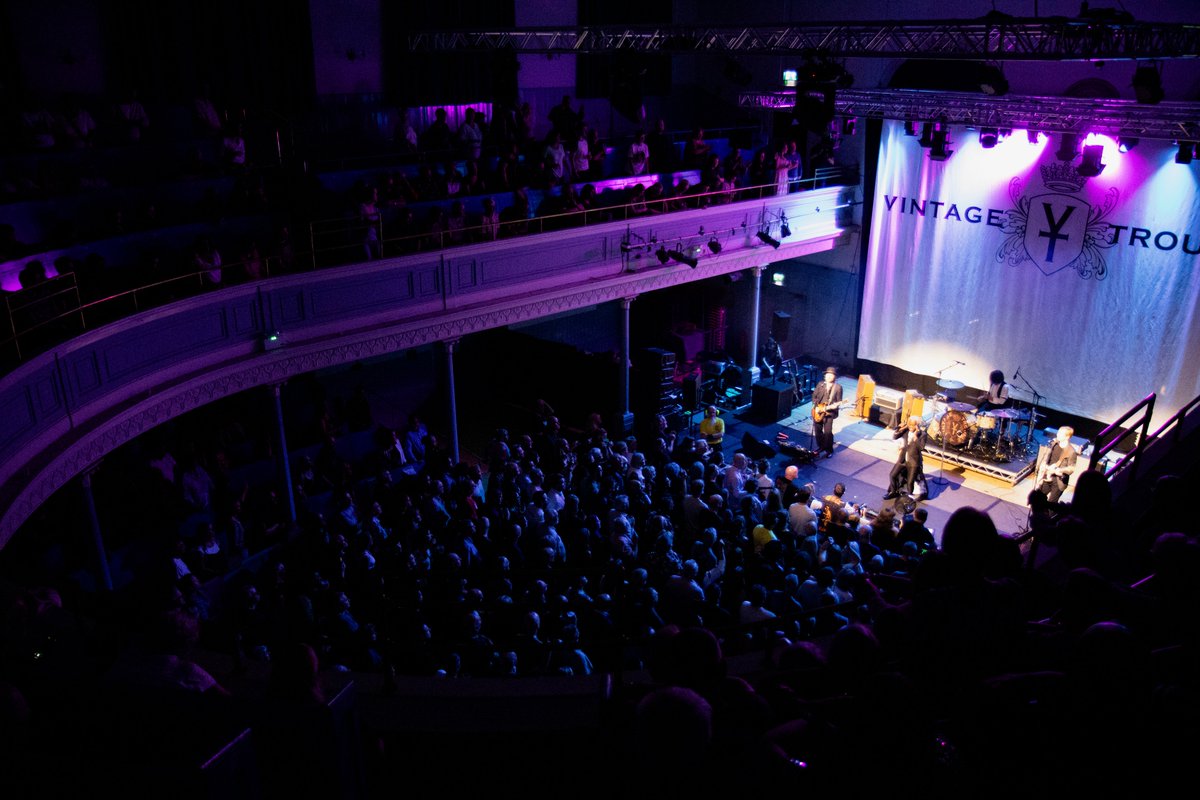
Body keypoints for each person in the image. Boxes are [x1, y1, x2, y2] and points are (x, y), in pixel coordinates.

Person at [884, 417, 927, 500]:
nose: (910, 427)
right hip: (903, 459)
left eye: (913, 425)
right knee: (892, 475)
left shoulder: (922, 435)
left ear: (917, 425)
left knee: (910, 482)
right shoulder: (906, 430)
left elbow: (921, 447)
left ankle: (909, 497)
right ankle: (893, 492)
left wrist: (915, 437)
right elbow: (895, 436)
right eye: (909, 424)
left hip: (913, 462)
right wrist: (900, 428)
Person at [1036, 426, 1079, 503]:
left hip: (1059, 481)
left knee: (1051, 504)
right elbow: (1047, 457)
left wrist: (1059, 470)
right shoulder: (1054, 444)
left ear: (1067, 437)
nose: (1057, 435)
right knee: (1039, 498)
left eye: (1060, 434)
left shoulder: (1071, 451)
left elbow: (1071, 468)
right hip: (1048, 476)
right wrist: (1044, 466)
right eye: (1058, 432)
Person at [811, 366, 843, 458]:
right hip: (817, 411)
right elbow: (814, 397)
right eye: (827, 375)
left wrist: (832, 406)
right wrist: (816, 406)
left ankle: (829, 450)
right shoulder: (820, 384)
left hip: (829, 413)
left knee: (828, 432)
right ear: (825, 376)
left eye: (831, 375)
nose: (829, 376)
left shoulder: (838, 387)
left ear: (834, 377)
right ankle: (821, 446)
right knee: (818, 431)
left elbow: (839, 401)